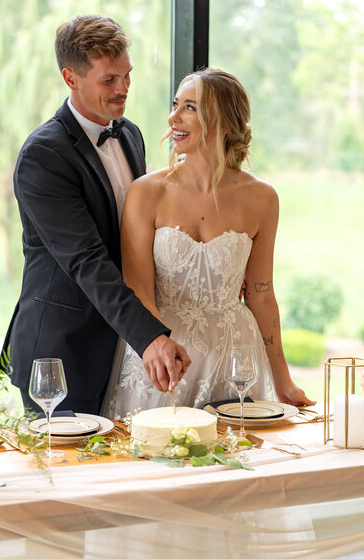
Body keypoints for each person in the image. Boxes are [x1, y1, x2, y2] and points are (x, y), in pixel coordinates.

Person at [1, 14, 190, 415]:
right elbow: (87, 260)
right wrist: (150, 337)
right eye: (109, 79)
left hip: (125, 346)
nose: (123, 88)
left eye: (127, 75)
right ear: (71, 78)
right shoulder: (43, 156)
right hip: (64, 355)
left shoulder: (130, 133)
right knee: (70, 475)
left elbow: (140, 234)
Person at [103, 68, 315, 418]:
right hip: (163, 353)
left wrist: (284, 380)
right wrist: (158, 348)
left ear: (225, 123)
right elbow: (138, 288)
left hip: (234, 358)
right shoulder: (147, 192)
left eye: (189, 107)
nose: (173, 117)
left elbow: (261, 295)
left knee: (233, 460)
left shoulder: (262, 198)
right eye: (175, 105)